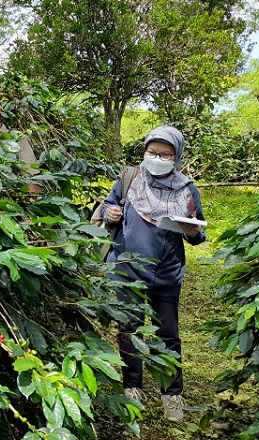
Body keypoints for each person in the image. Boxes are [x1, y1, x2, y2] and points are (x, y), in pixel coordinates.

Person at [101, 125, 206, 422]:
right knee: (129, 332)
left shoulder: (186, 189)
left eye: (165, 154)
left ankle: (172, 394)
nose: (157, 157)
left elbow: (198, 235)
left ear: (177, 156)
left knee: (168, 336)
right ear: (144, 151)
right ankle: (132, 387)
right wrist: (110, 211)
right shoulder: (128, 179)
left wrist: (193, 231)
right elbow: (109, 205)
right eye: (152, 152)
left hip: (166, 273)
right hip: (127, 270)